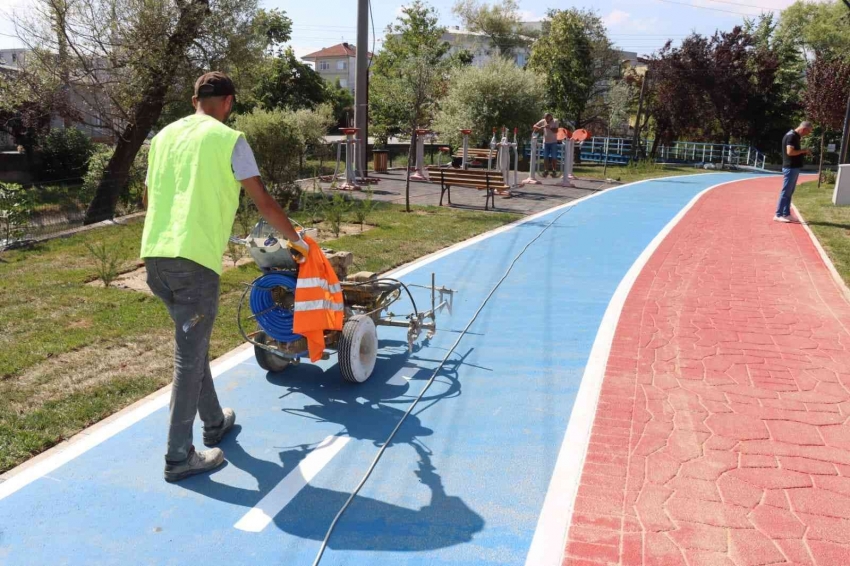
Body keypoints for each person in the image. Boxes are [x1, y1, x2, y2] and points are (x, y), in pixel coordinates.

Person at [141, 71, 309, 482]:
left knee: (192, 346)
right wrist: (298, 239)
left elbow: (148, 198)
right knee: (188, 358)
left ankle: (214, 422)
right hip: (193, 261)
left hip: (155, 258)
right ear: (229, 102)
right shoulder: (229, 139)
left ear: (193, 98)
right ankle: (178, 456)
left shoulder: (163, 137)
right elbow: (263, 202)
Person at [775, 121, 813, 223]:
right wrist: (803, 151)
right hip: (790, 168)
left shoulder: (794, 136)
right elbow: (790, 152)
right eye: (808, 132)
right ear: (804, 129)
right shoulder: (791, 136)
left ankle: (786, 214)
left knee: (789, 192)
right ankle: (778, 214)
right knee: (786, 191)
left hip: (793, 167)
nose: (807, 134)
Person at [533, 113, 560, 177]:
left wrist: (550, 127)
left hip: (553, 142)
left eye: (547, 119)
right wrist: (539, 127)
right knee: (545, 157)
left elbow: (556, 130)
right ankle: (546, 170)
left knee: (554, 157)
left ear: (550, 117)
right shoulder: (543, 121)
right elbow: (534, 126)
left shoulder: (555, 121)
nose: (546, 120)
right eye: (545, 119)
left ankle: (554, 170)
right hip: (545, 142)